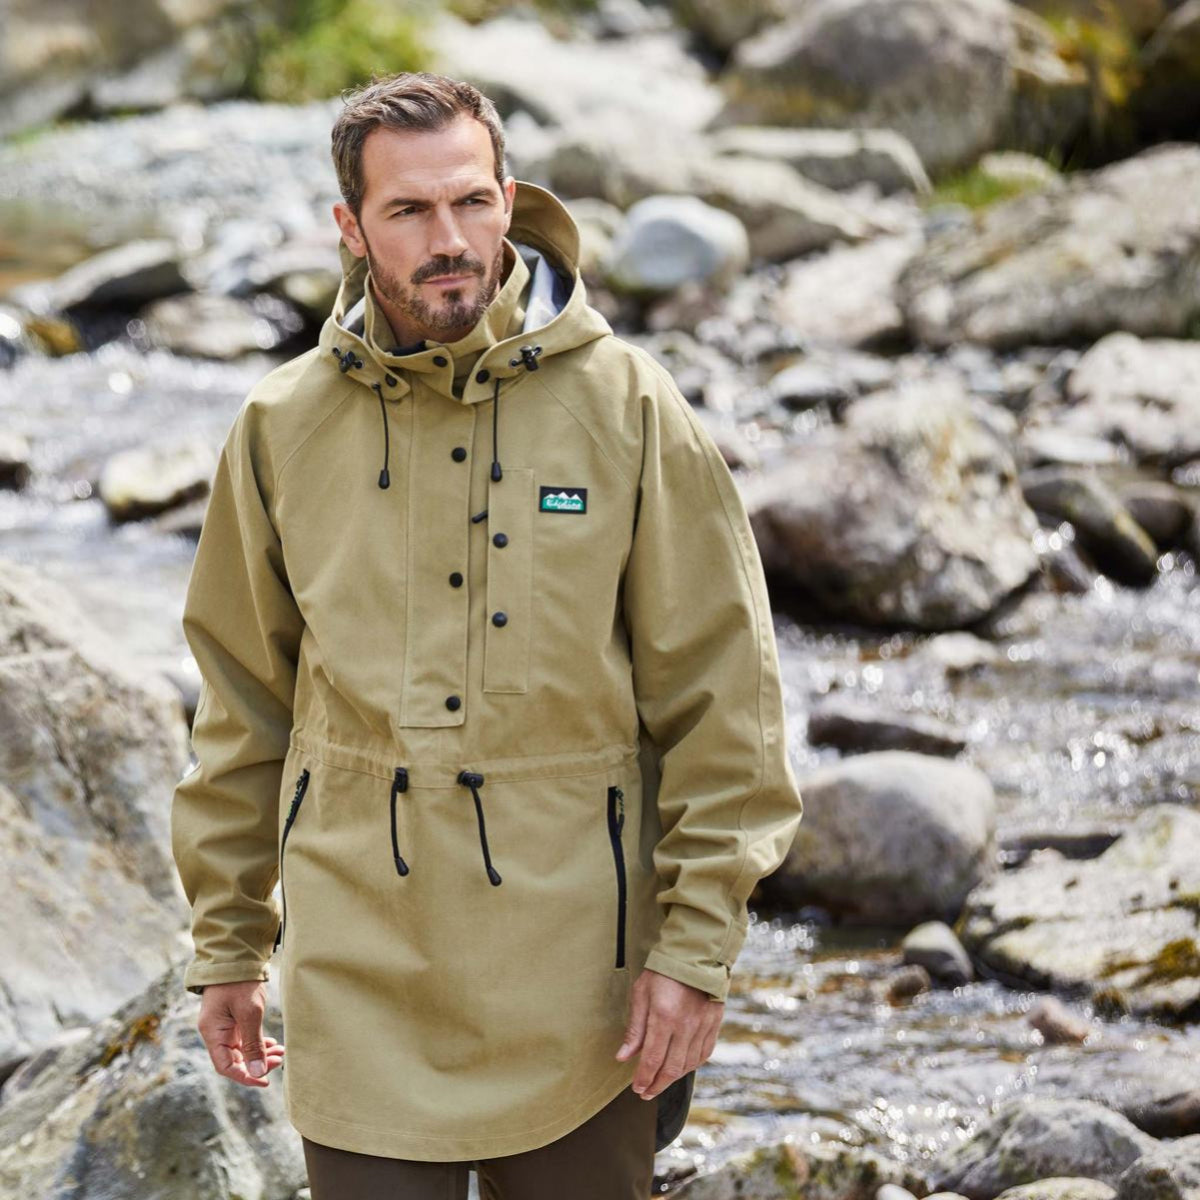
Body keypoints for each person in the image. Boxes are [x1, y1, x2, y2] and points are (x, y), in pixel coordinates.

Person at [170, 70, 804, 1199]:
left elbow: (726, 700)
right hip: (360, 974)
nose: (448, 238)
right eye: (409, 211)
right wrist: (229, 940)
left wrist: (696, 949)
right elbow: (241, 709)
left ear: (510, 198)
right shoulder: (277, 430)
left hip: (585, 985)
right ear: (351, 228)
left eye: (471, 202)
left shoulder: (631, 407)